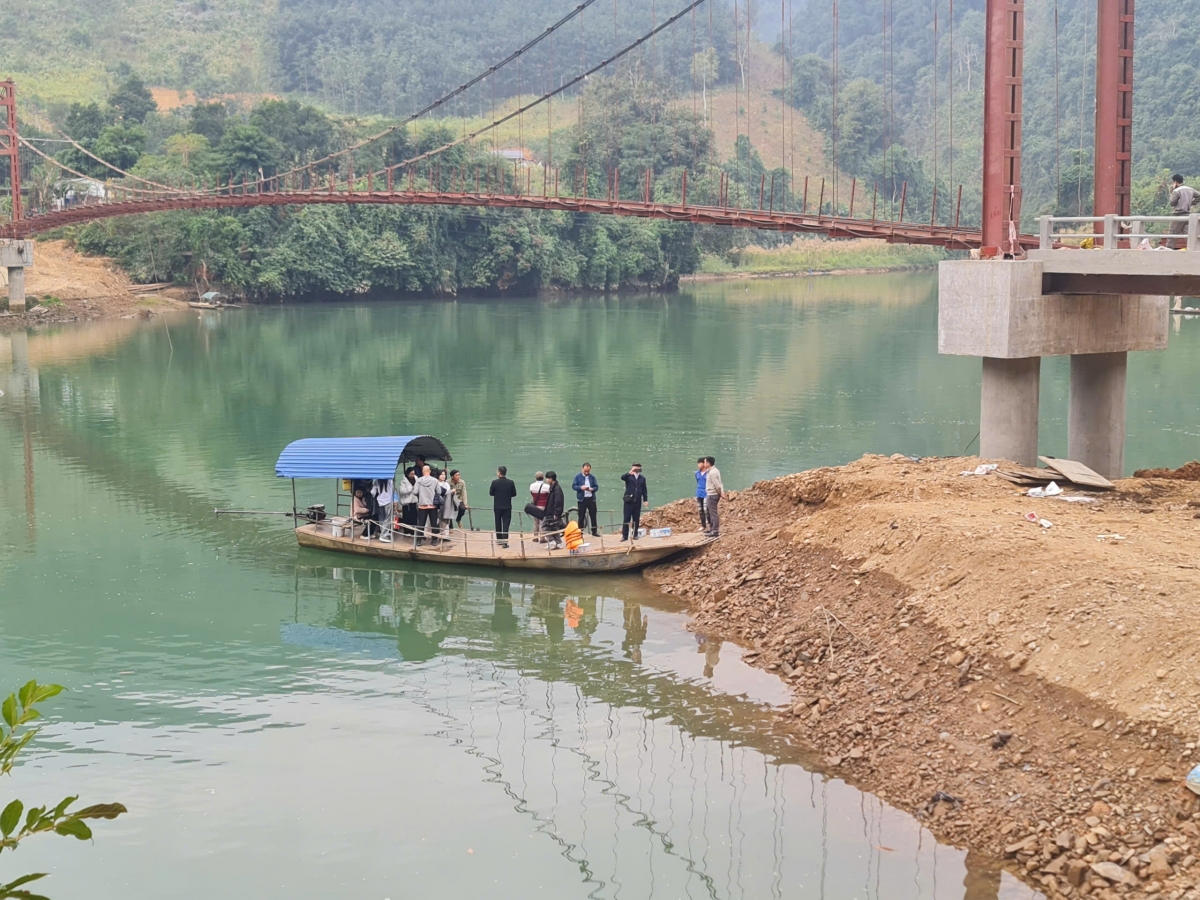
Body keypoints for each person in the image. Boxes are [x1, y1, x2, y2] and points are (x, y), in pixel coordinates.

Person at [1168, 174, 1200, 248]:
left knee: (1172, 234)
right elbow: (1199, 196)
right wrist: (1192, 203)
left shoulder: (1176, 191)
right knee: (1189, 234)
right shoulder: (1190, 189)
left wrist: (1172, 191)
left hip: (1178, 215)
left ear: (1175, 182)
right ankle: (1194, 249)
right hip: (1188, 215)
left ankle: (1168, 250)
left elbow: (1172, 203)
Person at [489, 466, 518, 547]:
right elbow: (514, 494)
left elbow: (491, 493)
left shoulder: (494, 482)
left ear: (499, 473)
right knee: (506, 524)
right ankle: (505, 541)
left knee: (497, 522)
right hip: (507, 506)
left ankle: (499, 539)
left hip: (497, 506)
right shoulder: (511, 482)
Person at [619, 463, 648, 541]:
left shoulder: (642, 478)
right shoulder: (628, 476)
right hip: (628, 501)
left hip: (637, 501)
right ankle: (624, 536)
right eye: (635, 468)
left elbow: (644, 490)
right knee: (626, 518)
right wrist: (630, 472)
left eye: (638, 468)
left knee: (636, 519)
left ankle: (635, 534)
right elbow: (622, 477)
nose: (637, 470)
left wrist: (645, 500)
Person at [415, 464, 440, 546]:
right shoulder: (435, 480)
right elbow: (439, 491)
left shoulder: (419, 480)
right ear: (430, 471)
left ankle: (419, 540)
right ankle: (434, 540)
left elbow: (415, 492)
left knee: (421, 523)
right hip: (432, 505)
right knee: (434, 523)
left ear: (422, 471)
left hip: (422, 505)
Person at [572, 463, 600, 536]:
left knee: (593, 515)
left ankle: (594, 531)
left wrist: (592, 489)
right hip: (582, 500)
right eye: (585, 471)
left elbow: (596, 487)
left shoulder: (592, 477)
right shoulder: (577, 477)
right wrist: (581, 488)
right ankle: (580, 532)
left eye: (588, 471)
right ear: (582, 469)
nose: (587, 473)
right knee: (581, 516)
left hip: (591, 499)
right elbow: (574, 486)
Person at [542, 471, 567, 549]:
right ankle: (558, 542)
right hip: (551, 511)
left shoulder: (556, 489)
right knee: (554, 527)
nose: (546, 480)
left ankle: (551, 541)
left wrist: (556, 513)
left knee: (545, 526)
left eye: (547, 478)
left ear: (550, 479)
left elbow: (558, 501)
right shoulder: (553, 487)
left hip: (552, 512)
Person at [703, 456, 724, 538]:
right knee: (709, 512)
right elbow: (720, 483)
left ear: (708, 463)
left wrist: (720, 493)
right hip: (711, 494)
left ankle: (715, 531)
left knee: (713, 513)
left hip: (712, 494)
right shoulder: (714, 471)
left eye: (705, 462)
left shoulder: (712, 473)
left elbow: (717, 485)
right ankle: (712, 529)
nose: (704, 464)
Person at [529, 472, 551, 542]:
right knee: (542, 522)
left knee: (536, 522)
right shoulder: (546, 486)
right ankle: (542, 538)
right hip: (543, 506)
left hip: (535, 506)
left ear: (535, 477)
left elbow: (532, 494)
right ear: (543, 477)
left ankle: (535, 537)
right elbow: (549, 495)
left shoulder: (531, 486)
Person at [396, 468, 419, 536]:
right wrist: (410, 489)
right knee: (407, 518)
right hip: (406, 502)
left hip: (414, 501)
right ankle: (406, 531)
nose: (412, 475)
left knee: (414, 517)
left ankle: (413, 531)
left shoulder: (416, 479)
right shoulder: (403, 481)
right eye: (411, 474)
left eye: (413, 474)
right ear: (407, 474)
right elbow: (401, 491)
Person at [437, 469, 456, 542]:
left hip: (446, 504)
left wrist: (451, 492)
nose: (443, 476)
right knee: (437, 520)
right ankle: (435, 535)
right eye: (441, 474)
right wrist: (450, 491)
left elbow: (447, 493)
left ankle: (445, 535)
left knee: (445, 520)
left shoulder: (446, 484)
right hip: (438, 504)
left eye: (444, 474)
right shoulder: (436, 483)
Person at [695, 458, 709, 532]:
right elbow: (697, 481)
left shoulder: (708, 473)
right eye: (698, 463)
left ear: (704, 464)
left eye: (700, 463)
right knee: (700, 510)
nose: (698, 465)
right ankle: (703, 525)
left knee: (706, 509)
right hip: (699, 493)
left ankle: (710, 524)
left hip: (706, 493)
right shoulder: (697, 473)